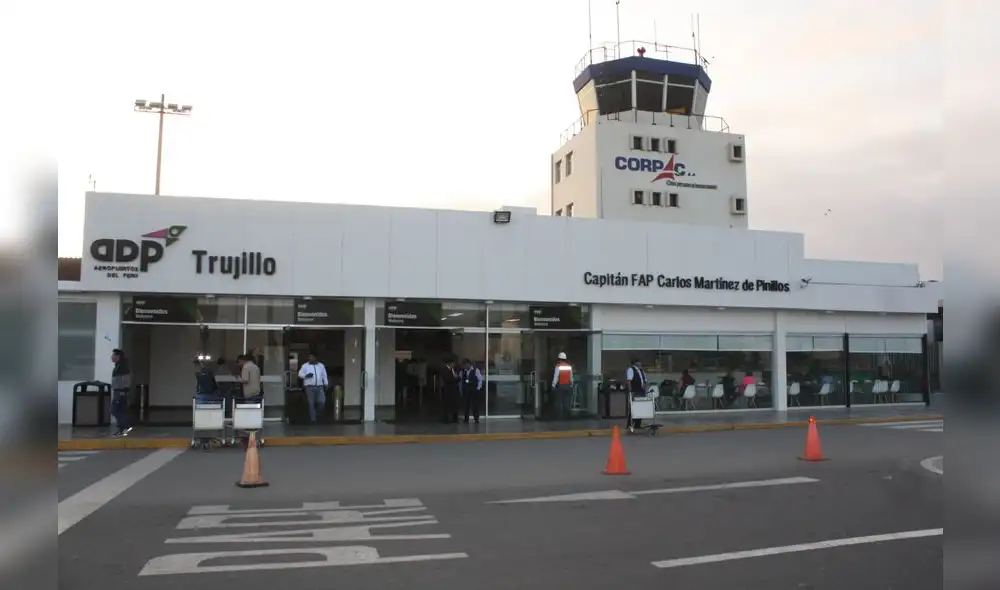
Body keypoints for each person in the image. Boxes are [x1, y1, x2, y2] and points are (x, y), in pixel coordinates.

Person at [298, 353, 330, 423]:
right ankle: (313, 420)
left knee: (322, 402)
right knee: (311, 403)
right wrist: (306, 376)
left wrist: (326, 383)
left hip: (320, 386)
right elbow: (300, 374)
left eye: (312, 357)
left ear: (316, 358)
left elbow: (324, 375)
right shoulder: (305, 365)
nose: (310, 358)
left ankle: (317, 413)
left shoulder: (321, 365)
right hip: (309, 387)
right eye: (309, 357)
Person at [110, 349, 133, 437]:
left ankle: (123, 428)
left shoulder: (122, 368)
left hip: (120, 393)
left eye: (114, 355)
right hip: (118, 392)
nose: (112, 357)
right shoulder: (118, 366)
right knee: (119, 411)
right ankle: (125, 427)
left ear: (118, 357)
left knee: (116, 410)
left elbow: (126, 382)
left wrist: (122, 392)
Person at [625, 359, 647, 433]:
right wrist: (630, 391)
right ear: (635, 363)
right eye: (638, 362)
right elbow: (629, 381)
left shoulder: (641, 371)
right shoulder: (631, 370)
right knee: (633, 408)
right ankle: (630, 424)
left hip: (641, 391)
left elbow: (644, 380)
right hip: (635, 391)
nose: (640, 363)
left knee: (640, 408)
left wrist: (644, 385)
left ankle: (638, 424)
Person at [551, 352, 574, 419]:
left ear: (559, 359)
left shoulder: (558, 366)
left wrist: (553, 385)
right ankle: (566, 416)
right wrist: (572, 384)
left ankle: (559, 417)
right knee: (567, 402)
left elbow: (556, 377)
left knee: (559, 401)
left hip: (561, 386)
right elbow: (571, 377)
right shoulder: (569, 366)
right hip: (568, 386)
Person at [460, 358, 483, 424]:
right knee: (466, 405)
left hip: (474, 390)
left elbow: (480, 380)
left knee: (475, 406)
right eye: (464, 365)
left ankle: (476, 419)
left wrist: (478, 388)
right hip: (466, 391)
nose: (465, 366)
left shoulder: (476, 370)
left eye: (466, 365)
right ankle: (466, 419)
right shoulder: (463, 371)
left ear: (469, 364)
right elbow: (460, 379)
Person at [441, 359, 460, 423]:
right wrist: (455, 378)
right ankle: (446, 419)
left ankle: (455, 419)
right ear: (450, 363)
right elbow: (447, 379)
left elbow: (458, 378)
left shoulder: (453, 370)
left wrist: (457, 378)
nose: (454, 365)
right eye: (453, 364)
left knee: (455, 404)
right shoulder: (445, 370)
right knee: (447, 405)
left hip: (454, 389)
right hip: (448, 390)